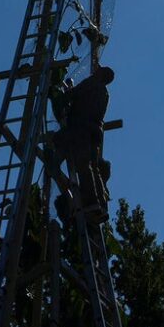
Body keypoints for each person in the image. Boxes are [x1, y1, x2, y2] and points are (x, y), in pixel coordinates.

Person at [55, 66, 114, 223]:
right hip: (94, 133)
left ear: (101, 75)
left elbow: (74, 95)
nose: (95, 71)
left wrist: (62, 96)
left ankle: (91, 202)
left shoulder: (91, 83)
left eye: (98, 71)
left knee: (83, 165)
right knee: (93, 168)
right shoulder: (105, 93)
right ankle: (101, 204)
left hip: (82, 130)